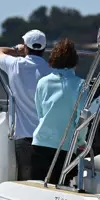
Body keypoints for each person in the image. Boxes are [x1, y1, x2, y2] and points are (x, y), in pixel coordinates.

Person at [0, 29, 52, 179]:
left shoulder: (15, 65)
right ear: (43, 49)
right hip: (49, 139)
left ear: (25, 47)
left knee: (26, 182)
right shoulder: (52, 71)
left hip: (25, 137)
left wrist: (15, 50)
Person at [31, 38, 85, 184]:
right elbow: (82, 118)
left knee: (38, 186)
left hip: (40, 143)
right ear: (75, 60)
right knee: (60, 189)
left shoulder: (43, 82)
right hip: (65, 146)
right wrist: (81, 141)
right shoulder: (80, 85)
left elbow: (40, 112)